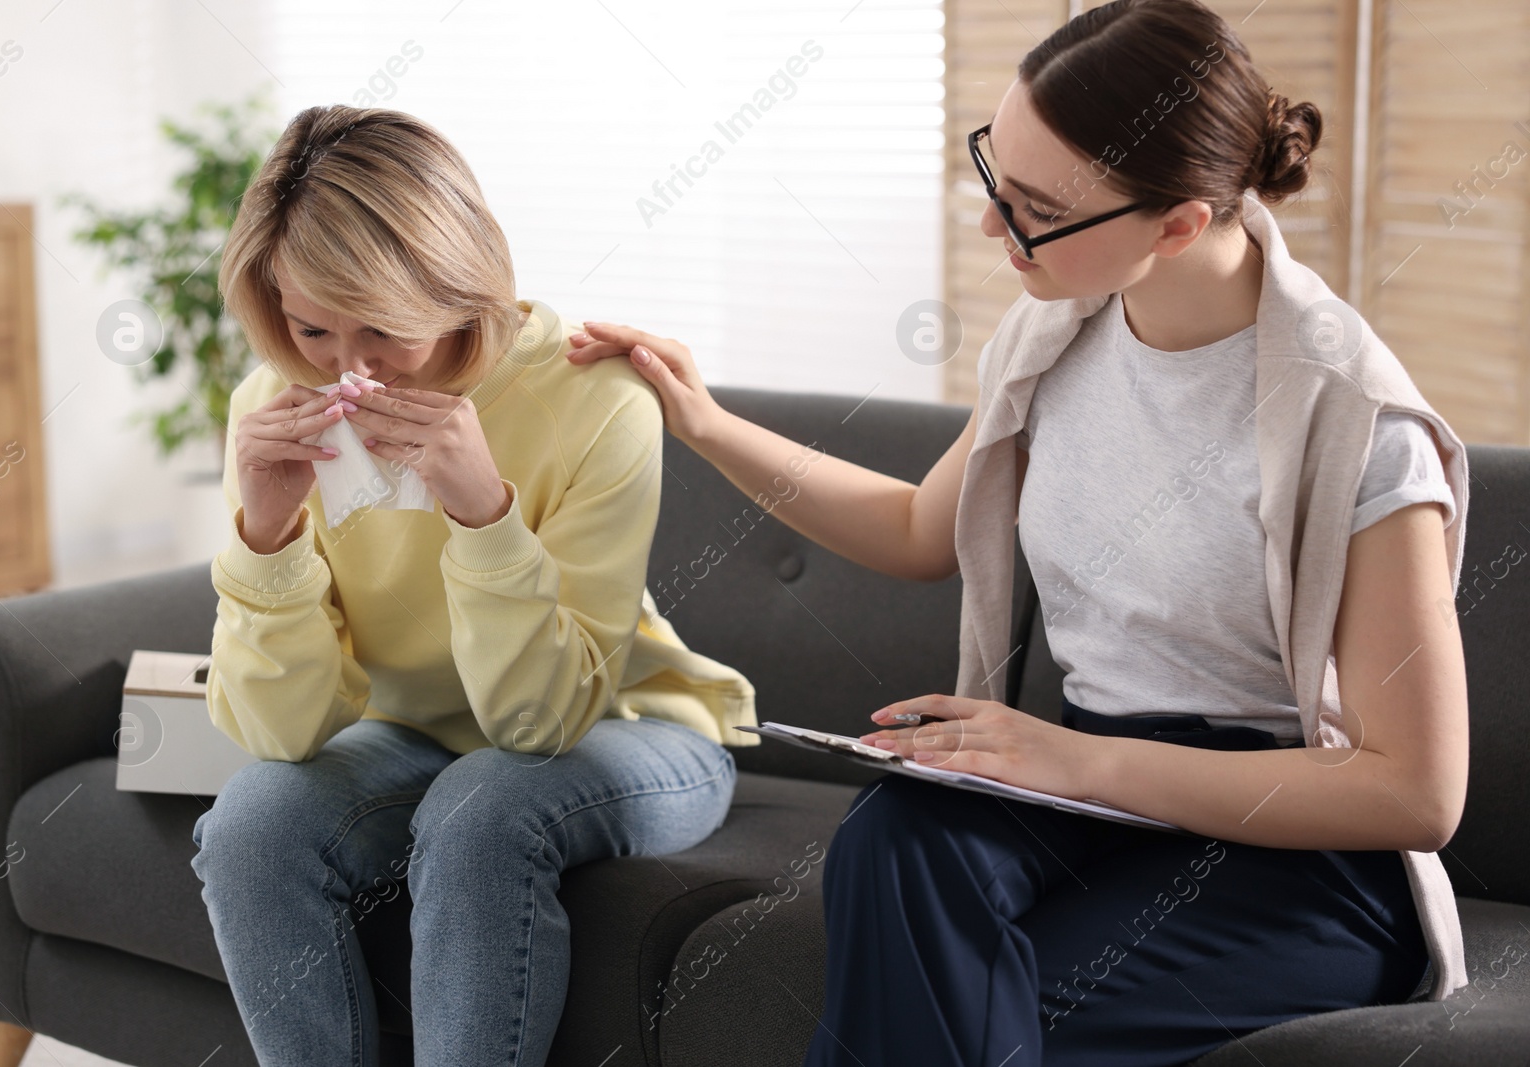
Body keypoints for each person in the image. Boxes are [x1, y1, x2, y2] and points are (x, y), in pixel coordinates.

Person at [564, 0, 1470, 1063]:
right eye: (996, 173)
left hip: (1295, 845)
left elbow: (1413, 788)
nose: (994, 226)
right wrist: (705, 423)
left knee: (992, 1006)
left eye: (1035, 206)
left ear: (1177, 223)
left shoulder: (1354, 420)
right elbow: (917, 529)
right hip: (1096, 795)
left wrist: (1078, 763)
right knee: (894, 840)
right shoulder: (1054, 334)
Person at [188, 104, 759, 1067]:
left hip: (631, 726)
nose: (351, 371)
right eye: (313, 327)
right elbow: (279, 735)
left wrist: (483, 512)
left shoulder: (593, 398)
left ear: (455, 288)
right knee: (250, 822)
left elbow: (539, 726)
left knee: (485, 801)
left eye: (384, 329)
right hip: (410, 737)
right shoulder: (272, 405)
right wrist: (268, 531)